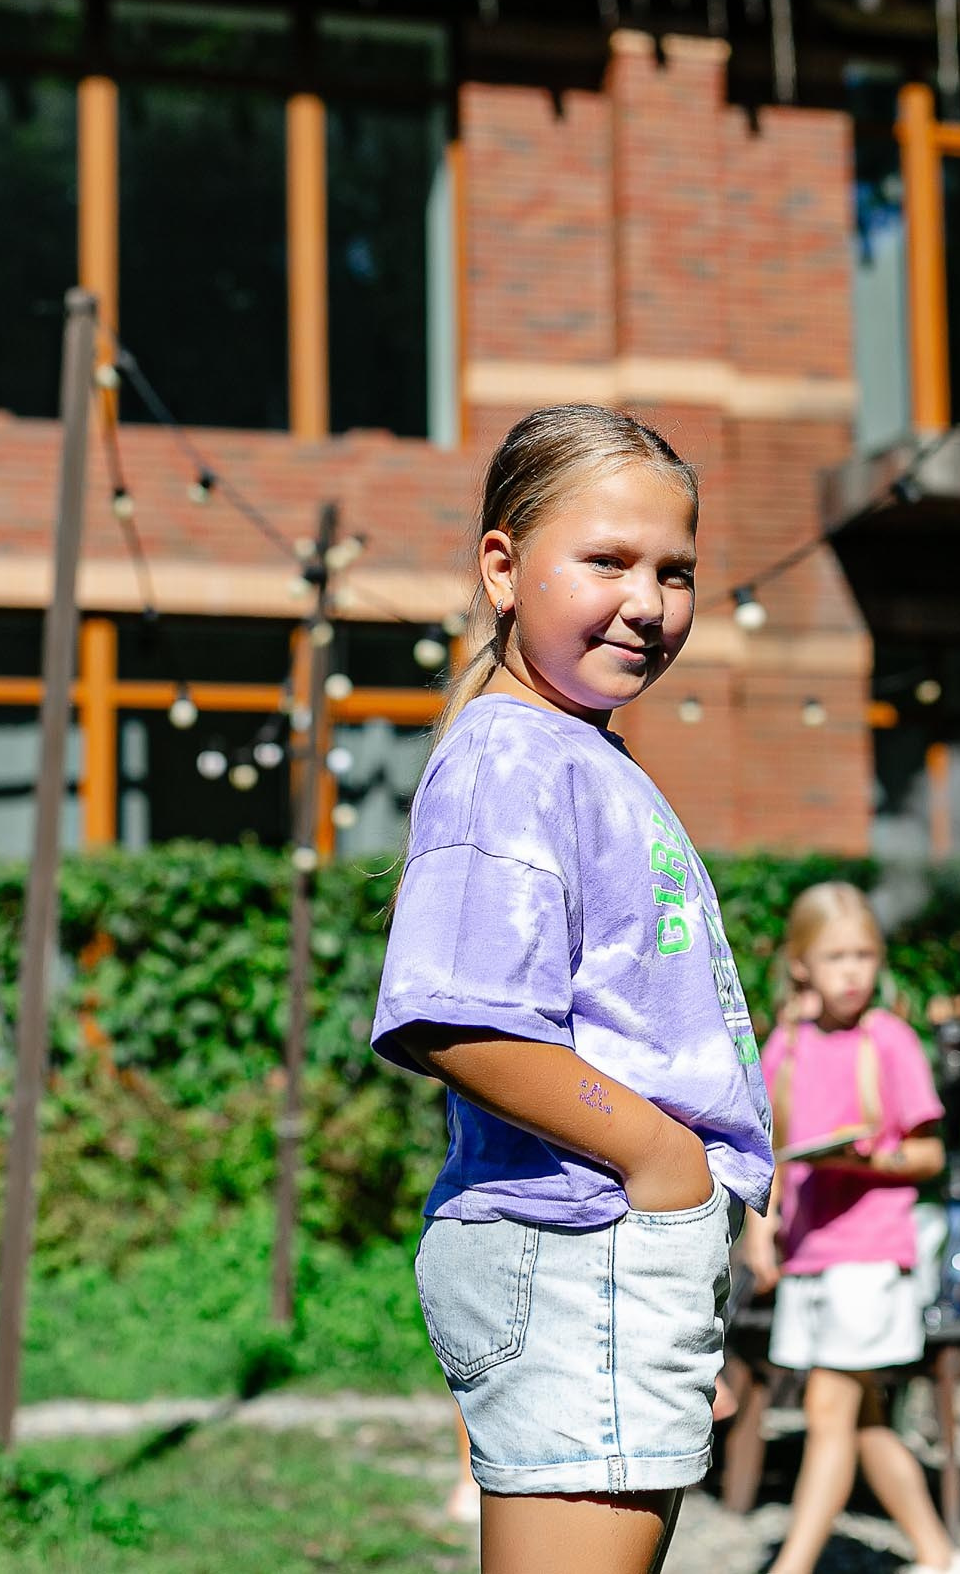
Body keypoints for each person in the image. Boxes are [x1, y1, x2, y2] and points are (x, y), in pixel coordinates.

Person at [370, 405, 773, 1574]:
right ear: (502, 565)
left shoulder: (579, 751)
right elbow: (455, 1018)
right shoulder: (514, 753)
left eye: (676, 570)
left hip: (615, 1240)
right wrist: (664, 1164)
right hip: (586, 1238)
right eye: (607, 560)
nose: (648, 601)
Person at [741, 882, 960, 1574]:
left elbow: (931, 1153)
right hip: (810, 1256)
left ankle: (791, 1567)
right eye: (836, 955)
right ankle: (938, 1555)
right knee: (864, 1421)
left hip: (869, 1256)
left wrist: (867, 1160)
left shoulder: (891, 1041)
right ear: (801, 963)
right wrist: (762, 1229)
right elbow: (772, 1152)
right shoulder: (784, 1045)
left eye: (865, 955)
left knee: (827, 1412)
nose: (853, 971)